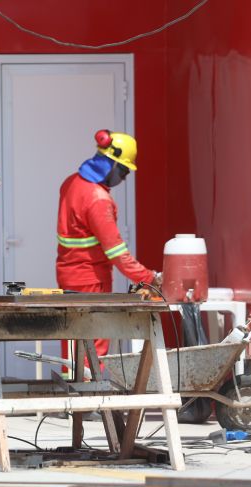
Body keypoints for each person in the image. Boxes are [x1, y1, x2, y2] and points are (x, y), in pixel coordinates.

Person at [56, 130, 161, 356]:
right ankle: (88, 391)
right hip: (92, 281)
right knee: (93, 346)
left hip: (68, 275)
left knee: (73, 344)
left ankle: (71, 388)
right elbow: (118, 254)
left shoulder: (71, 183)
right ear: (112, 165)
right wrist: (150, 278)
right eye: (124, 171)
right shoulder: (98, 200)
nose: (123, 178)